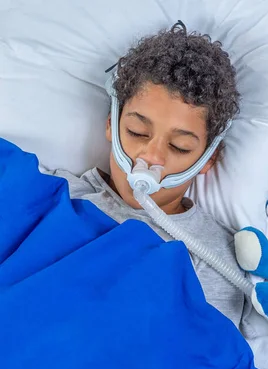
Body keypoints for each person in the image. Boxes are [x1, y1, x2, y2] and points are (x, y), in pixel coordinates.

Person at [42, 21, 250, 329]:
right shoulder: (54, 194)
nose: (151, 157)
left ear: (208, 159)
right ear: (111, 124)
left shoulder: (210, 256)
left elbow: (201, 358)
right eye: (137, 131)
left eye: (179, 147)